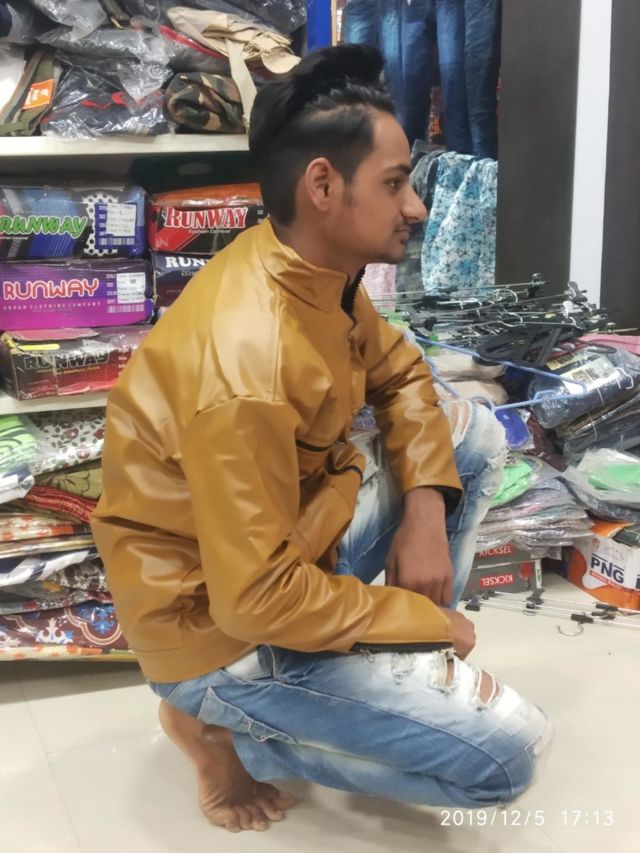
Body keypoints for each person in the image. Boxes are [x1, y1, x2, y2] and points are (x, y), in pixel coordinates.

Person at [91, 44, 552, 834]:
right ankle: (226, 727)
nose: (417, 207)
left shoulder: (310, 267)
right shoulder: (248, 360)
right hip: (215, 624)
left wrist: (425, 513)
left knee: (470, 434)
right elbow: (254, 597)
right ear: (323, 186)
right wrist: (420, 618)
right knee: (508, 757)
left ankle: (385, 673)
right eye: (396, 183)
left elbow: (402, 373)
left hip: (291, 548)